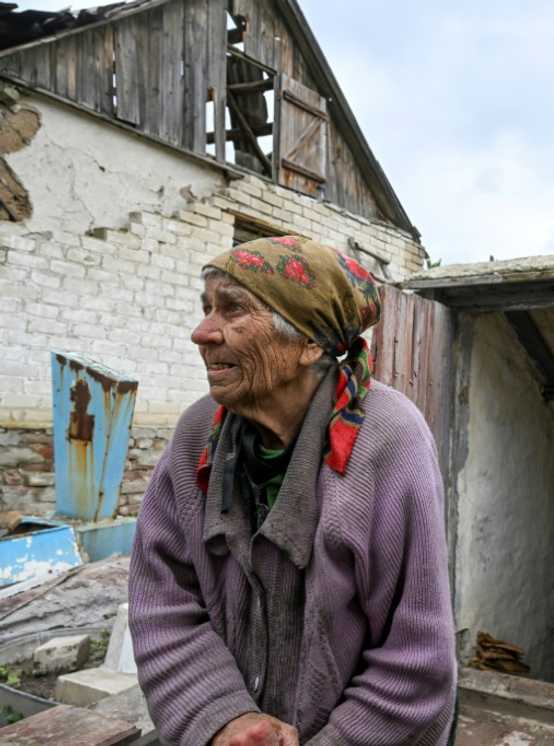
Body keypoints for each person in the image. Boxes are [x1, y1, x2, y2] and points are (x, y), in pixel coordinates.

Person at [128, 237, 457, 745]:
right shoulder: (199, 432)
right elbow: (164, 600)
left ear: (309, 342)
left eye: (233, 309)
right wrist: (221, 718)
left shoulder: (389, 441)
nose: (201, 332)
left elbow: (415, 663)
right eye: (206, 308)